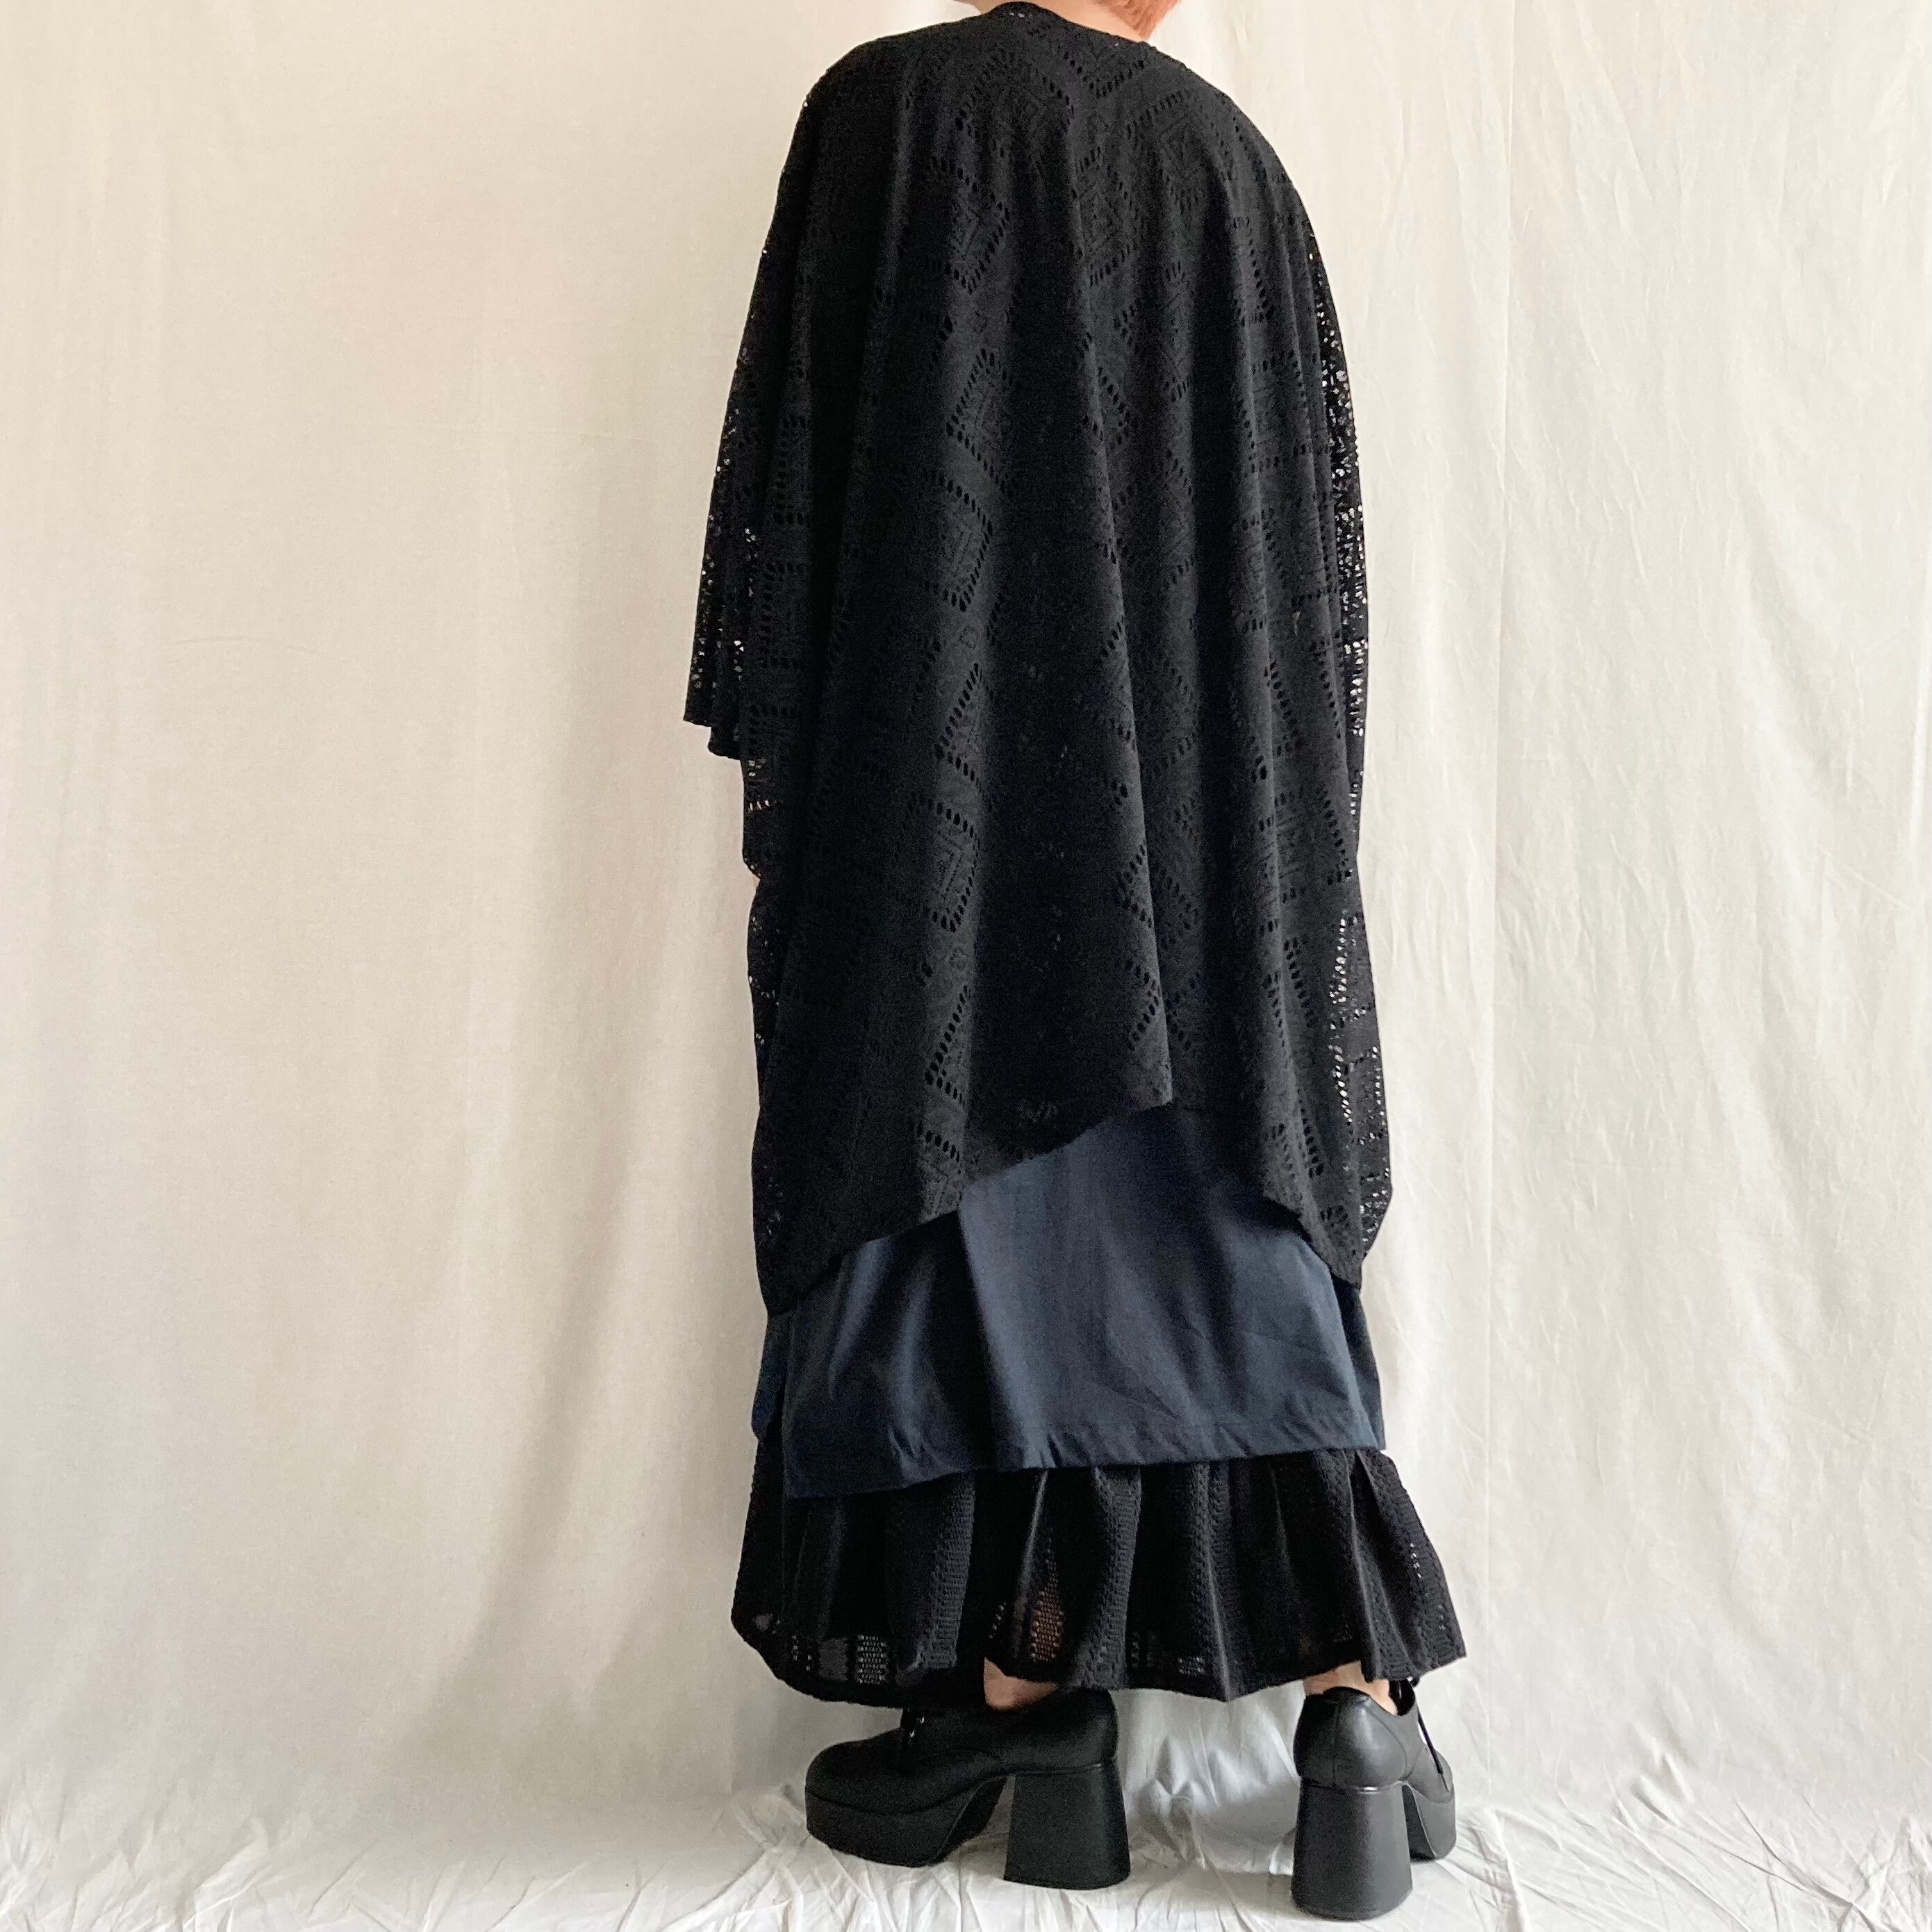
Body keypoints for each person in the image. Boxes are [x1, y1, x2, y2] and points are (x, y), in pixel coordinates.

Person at [684, 0, 1465, 1916]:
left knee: (965, 1196)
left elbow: (799, 501)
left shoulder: (886, 115)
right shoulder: (1234, 175)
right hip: (1203, 857)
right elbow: (1308, 603)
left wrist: (829, 768)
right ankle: (1350, 1713)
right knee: (1223, 1214)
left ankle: (1034, 1703)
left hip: (950, 830)